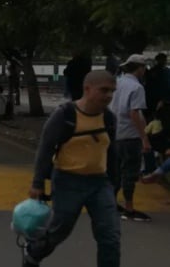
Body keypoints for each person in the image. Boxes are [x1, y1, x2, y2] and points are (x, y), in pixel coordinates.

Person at [23, 70, 120, 267]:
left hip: (99, 184)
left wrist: (114, 184)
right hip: (68, 182)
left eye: (112, 91)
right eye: (104, 90)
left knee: (110, 237)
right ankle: (32, 254)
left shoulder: (109, 118)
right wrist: (37, 182)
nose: (109, 96)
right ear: (87, 89)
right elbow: (45, 148)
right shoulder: (65, 115)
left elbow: (111, 152)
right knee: (58, 231)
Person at [109, 54, 151, 222]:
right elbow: (134, 113)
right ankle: (129, 208)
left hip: (115, 134)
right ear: (139, 68)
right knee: (130, 172)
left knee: (116, 172)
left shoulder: (117, 83)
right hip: (130, 135)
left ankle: (110, 203)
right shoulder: (137, 87)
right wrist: (144, 138)